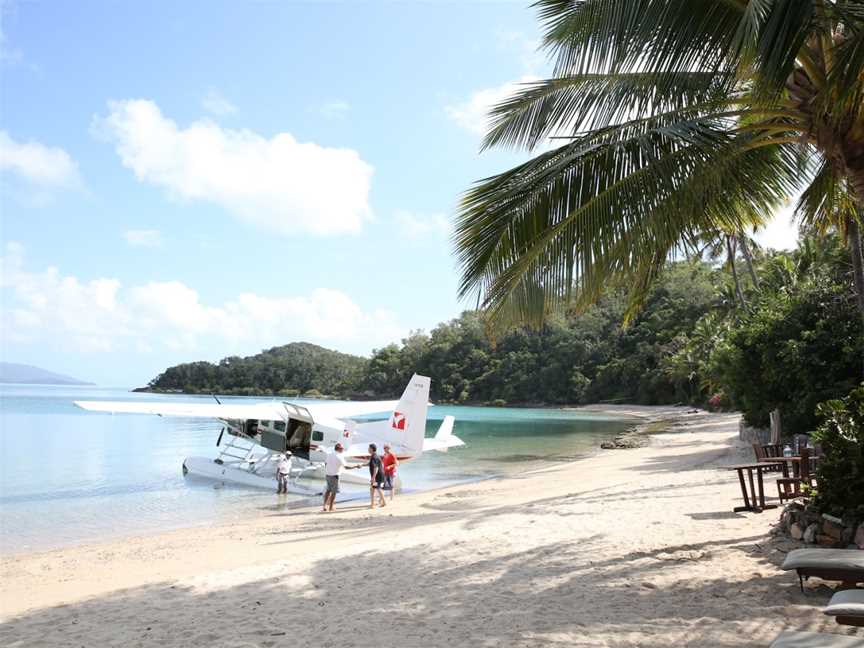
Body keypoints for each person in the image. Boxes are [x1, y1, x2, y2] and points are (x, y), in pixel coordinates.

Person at [322, 443, 361, 512]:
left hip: (328, 475)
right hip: (335, 476)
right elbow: (346, 467)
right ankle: (331, 507)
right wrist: (356, 466)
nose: (343, 449)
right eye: (342, 448)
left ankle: (324, 506)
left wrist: (329, 469)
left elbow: (325, 463)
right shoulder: (339, 456)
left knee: (328, 490)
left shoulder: (330, 454)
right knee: (334, 492)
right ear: (338, 449)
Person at [367, 443, 387, 508]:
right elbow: (371, 464)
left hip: (377, 476)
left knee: (378, 488)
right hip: (380, 475)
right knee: (373, 489)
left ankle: (384, 502)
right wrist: (362, 465)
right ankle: (372, 504)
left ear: (372, 449)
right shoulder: (376, 456)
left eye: (369, 448)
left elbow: (376, 467)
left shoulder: (374, 457)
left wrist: (373, 478)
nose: (368, 449)